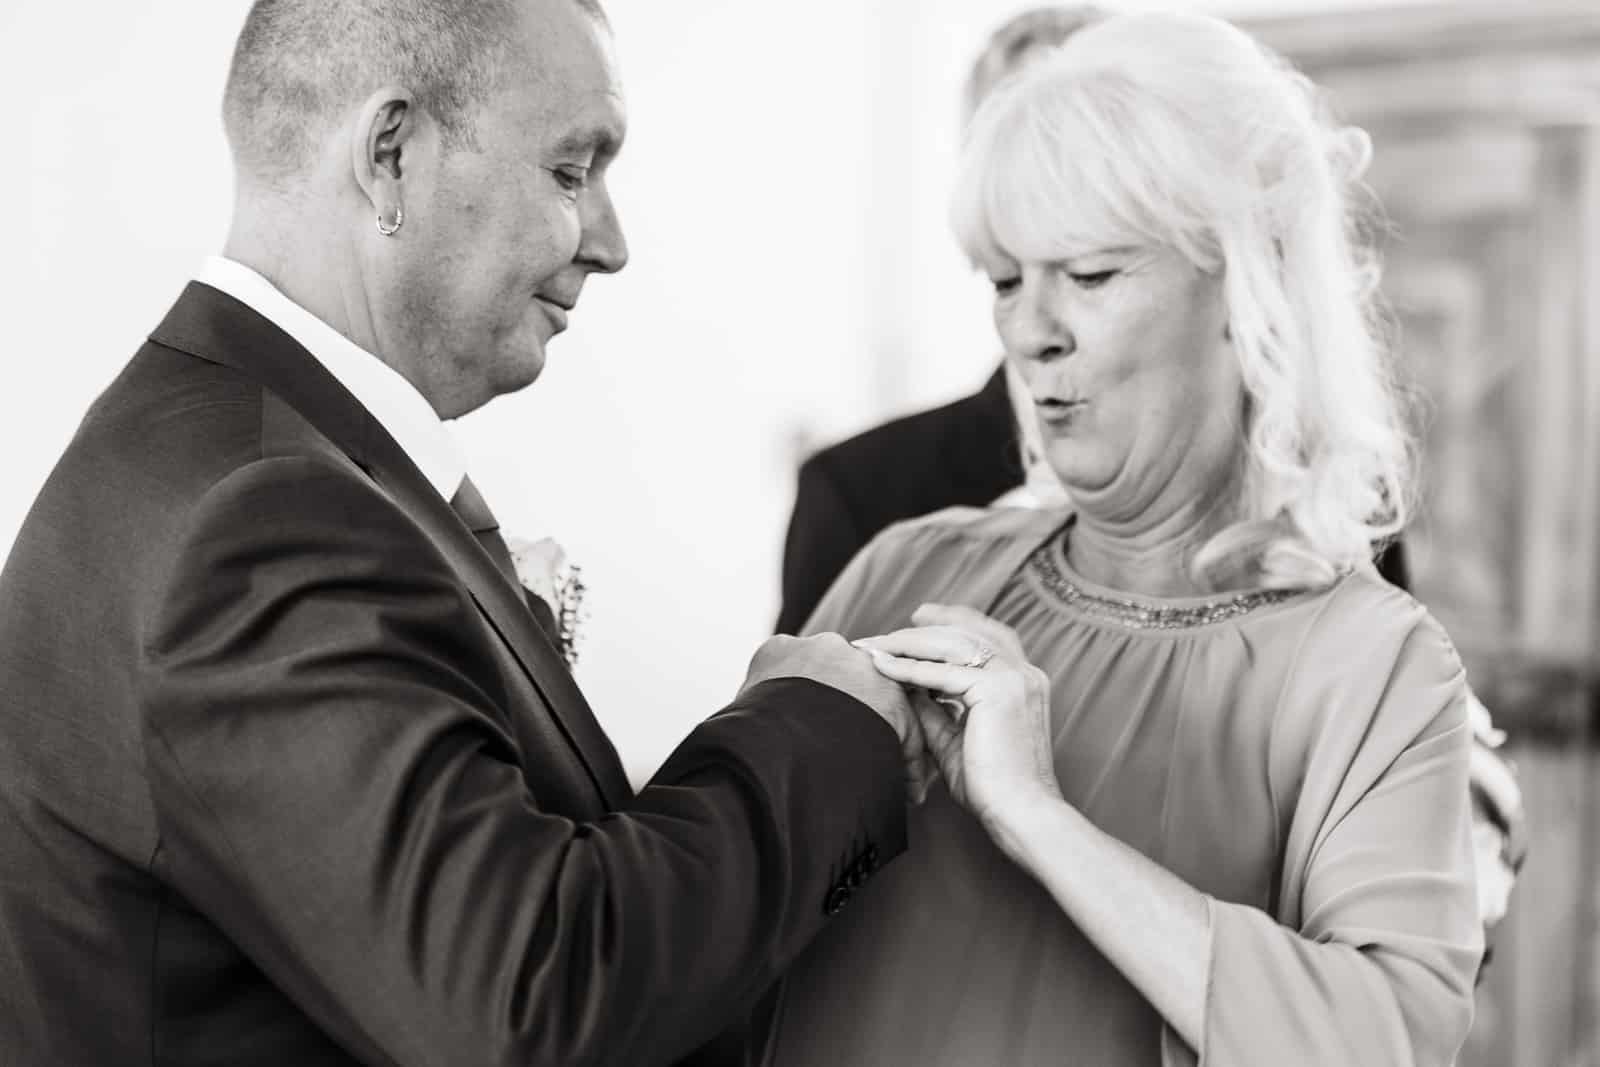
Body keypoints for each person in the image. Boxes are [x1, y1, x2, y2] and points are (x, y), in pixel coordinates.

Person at [0, 2, 930, 1064]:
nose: (611, 244)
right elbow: (525, 999)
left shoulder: (225, 442)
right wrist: (814, 726)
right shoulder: (261, 516)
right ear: (391, 153)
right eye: (571, 171)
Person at [766, 12, 1483, 1066]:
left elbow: (1386, 1041)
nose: (1029, 330)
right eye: (1005, 280)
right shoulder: (902, 568)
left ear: (1246, 285)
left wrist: (1036, 815)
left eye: (1090, 274)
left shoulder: (1373, 667)